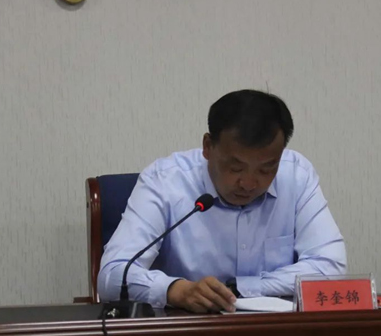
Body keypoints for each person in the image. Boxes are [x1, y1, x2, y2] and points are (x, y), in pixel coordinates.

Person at [98, 90, 346, 313]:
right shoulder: (164, 181)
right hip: (186, 333)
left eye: (266, 169)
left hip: (277, 333)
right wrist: (177, 290)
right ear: (208, 147)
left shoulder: (296, 176)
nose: (249, 183)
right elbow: (113, 274)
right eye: (236, 168)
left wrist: (241, 287)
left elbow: (330, 266)